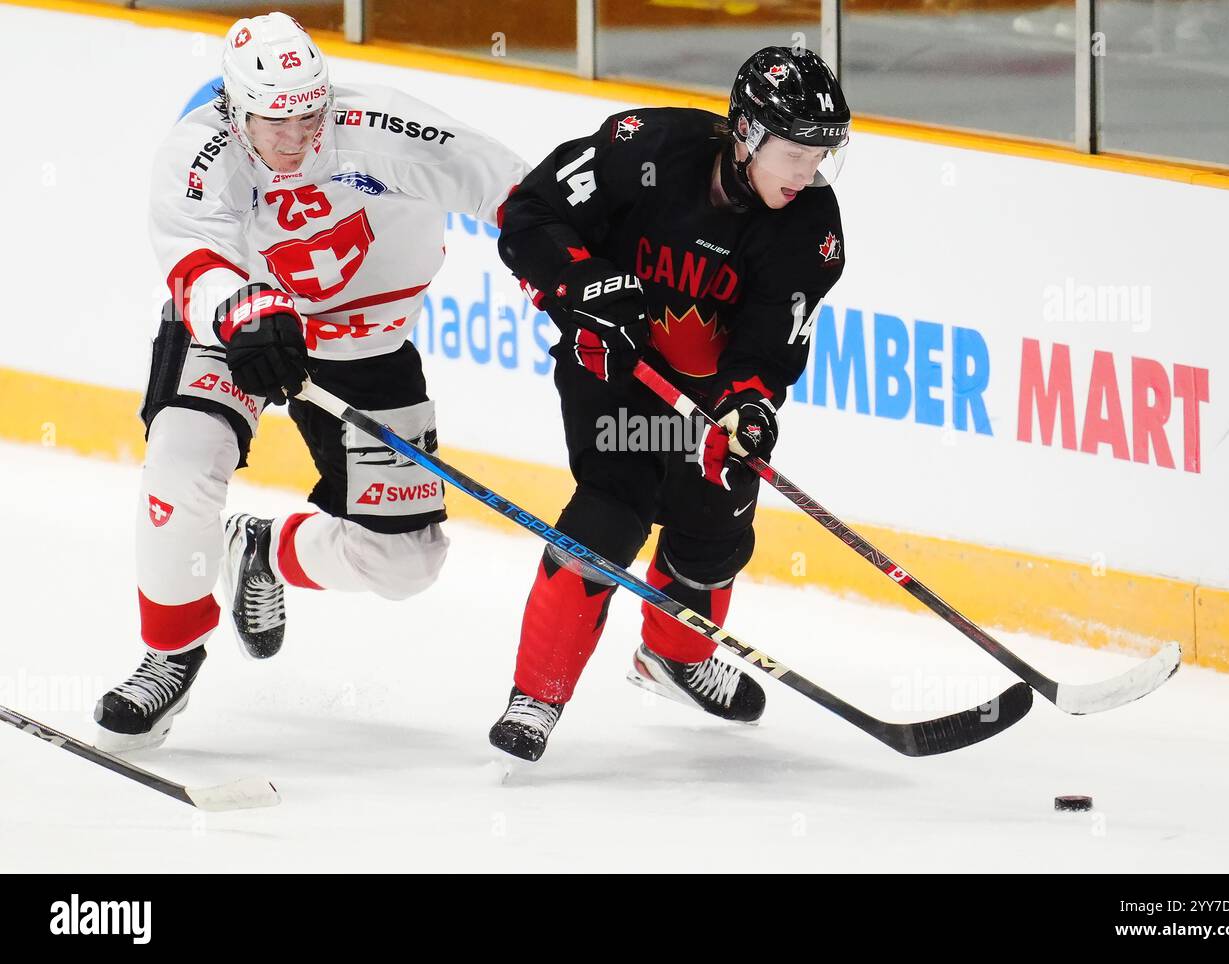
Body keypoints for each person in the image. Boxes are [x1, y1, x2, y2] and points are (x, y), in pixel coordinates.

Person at [94, 11, 529, 752]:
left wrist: (566, 271)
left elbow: (516, 191)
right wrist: (248, 313)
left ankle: (265, 549)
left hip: (366, 342)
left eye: (310, 114)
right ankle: (169, 654)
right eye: (276, 122)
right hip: (241, 329)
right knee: (181, 461)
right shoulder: (196, 149)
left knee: (406, 562)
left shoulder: (383, 128)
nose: (299, 137)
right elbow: (194, 258)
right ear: (236, 110)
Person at [489, 46, 849, 761]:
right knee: (607, 518)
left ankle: (674, 657)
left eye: (821, 155)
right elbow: (528, 215)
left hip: (708, 398)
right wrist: (585, 282)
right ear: (745, 132)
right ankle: (537, 693)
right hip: (616, 377)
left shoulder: (810, 225)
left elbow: (767, 349)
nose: (808, 172)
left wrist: (748, 407)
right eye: (795, 152)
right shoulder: (644, 149)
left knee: (714, 529)